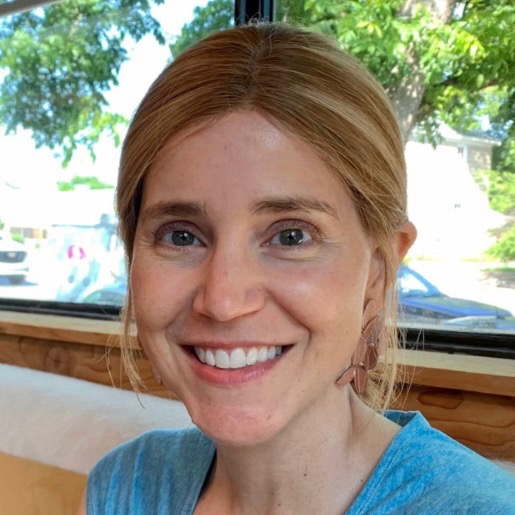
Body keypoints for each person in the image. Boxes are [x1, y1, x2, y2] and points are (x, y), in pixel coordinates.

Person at [79, 23, 515, 514]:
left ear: (378, 269)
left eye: (291, 236)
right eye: (181, 235)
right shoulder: (122, 487)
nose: (223, 301)